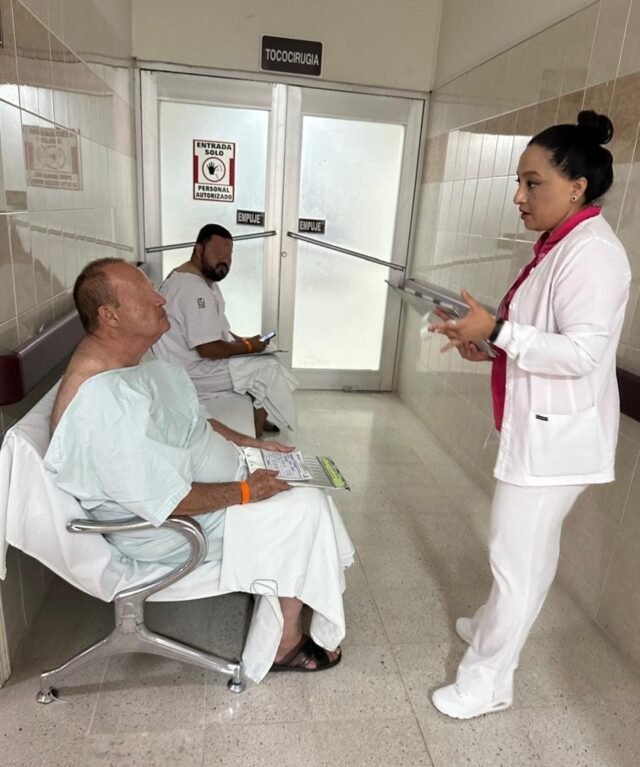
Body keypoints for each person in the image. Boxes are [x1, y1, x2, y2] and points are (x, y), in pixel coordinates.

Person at [46, 258, 354, 683]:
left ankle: (291, 592)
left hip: (206, 488)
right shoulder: (103, 401)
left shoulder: (127, 361)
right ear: (109, 316)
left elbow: (191, 420)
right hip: (166, 530)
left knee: (302, 481)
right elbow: (167, 500)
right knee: (305, 506)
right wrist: (247, 492)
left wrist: (251, 444)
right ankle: (283, 645)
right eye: (147, 295)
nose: (161, 300)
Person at [425, 110, 631, 719]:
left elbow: (582, 354)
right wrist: (487, 344)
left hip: (557, 443)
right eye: (518, 181)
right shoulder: (560, 245)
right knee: (527, 556)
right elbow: (540, 334)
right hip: (544, 433)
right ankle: (495, 625)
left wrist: (499, 332)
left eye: (532, 182)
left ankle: (486, 682)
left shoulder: (593, 254)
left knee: (514, 560)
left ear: (577, 187)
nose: (519, 196)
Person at [152, 224, 297, 437]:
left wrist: (244, 341)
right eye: (218, 253)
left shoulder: (200, 280)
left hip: (195, 363)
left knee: (267, 355)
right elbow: (208, 349)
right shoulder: (193, 289)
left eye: (229, 255)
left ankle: (258, 411)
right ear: (199, 250)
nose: (225, 260)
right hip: (189, 372)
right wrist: (248, 347)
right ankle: (255, 437)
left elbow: (219, 330)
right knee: (268, 369)